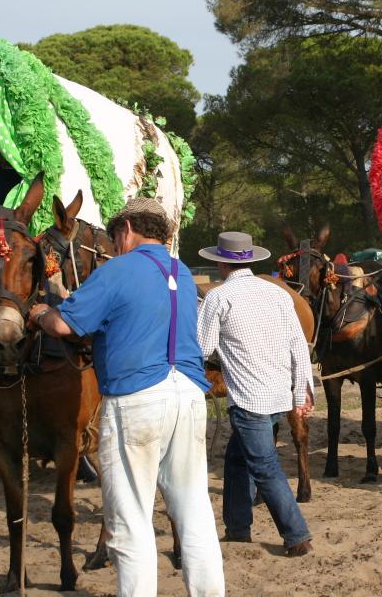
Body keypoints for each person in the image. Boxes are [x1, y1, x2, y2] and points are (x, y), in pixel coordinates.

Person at [29, 198, 224, 597]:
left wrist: (38, 314)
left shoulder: (116, 270)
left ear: (128, 228)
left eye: (116, 234)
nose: (115, 244)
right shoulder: (182, 273)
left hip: (138, 398)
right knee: (194, 512)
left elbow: (65, 326)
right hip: (188, 395)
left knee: (130, 519)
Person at [196, 231, 315, 557]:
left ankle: (297, 535)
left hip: (250, 399)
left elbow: (202, 348)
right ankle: (237, 528)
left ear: (221, 264)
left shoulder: (218, 298)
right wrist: (302, 392)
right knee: (237, 458)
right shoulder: (278, 294)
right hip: (278, 394)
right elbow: (299, 345)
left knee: (265, 467)